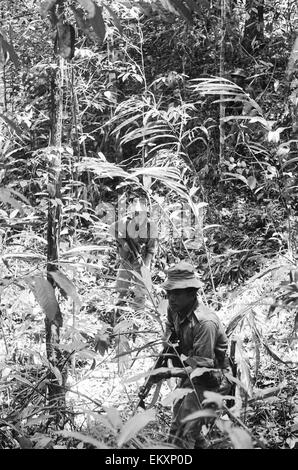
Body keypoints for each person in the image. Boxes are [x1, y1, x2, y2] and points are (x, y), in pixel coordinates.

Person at [158, 261, 230, 448]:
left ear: (192, 293)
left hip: (211, 379)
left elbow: (202, 367)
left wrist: (168, 373)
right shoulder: (174, 309)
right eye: (169, 293)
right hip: (190, 371)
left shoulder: (205, 323)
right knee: (179, 426)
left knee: (183, 433)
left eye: (177, 293)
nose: (171, 298)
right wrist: (167, 337)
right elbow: (170, 326)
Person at [109, 196, 158, 320]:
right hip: (127, 258)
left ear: (146, 213)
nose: (138, 216)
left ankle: (138, 317)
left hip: (142, 258)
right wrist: (122, 242)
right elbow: (111, 229)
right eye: (135, 213)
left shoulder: (151, 227)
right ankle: (118, 314)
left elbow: (151, 250)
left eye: (140, 213)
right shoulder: (125, 222)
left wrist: (146, 266)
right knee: (121, 286)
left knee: (141, 290)